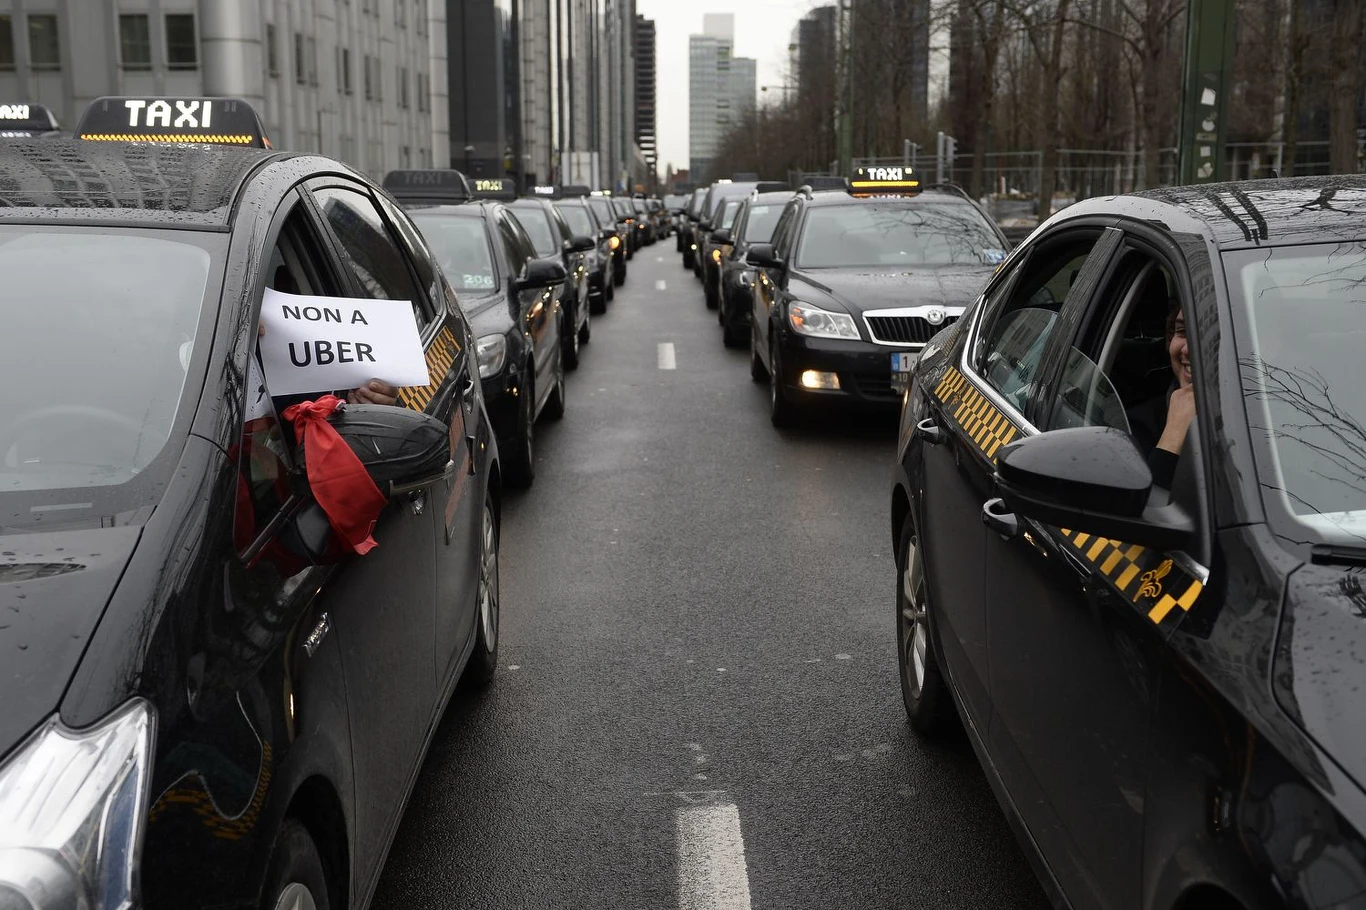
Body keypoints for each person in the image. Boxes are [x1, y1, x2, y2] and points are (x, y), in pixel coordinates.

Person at [1147, 302, 1195, 489]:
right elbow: (1146, 511)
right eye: (1182, 332)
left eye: (1210, 335)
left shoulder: (1287, 413)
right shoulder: (1138, 426)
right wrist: (1174, 436)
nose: (1187, 349)